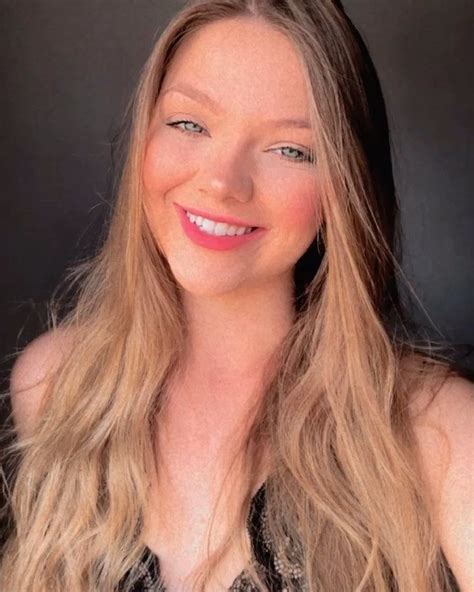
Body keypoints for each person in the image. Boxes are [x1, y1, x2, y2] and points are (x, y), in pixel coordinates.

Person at [1, 0, 473, 590]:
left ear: (344, 188)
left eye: (290, 149)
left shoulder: (440, 434)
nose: (222, 182)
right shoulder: (52, 386)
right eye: (189, 124)